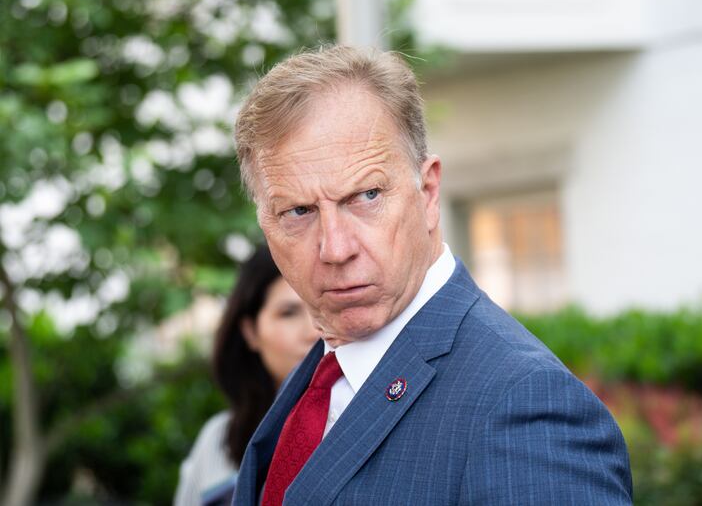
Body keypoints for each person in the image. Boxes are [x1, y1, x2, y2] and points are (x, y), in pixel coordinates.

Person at [231, 45, 633, 505]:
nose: (336, 248)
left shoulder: (525, 404)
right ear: (265, 222)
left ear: (428, 192)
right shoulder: (323, 375)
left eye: (365, 196)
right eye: (298, 211)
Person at [174, 246, 318, 506]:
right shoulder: (218, 441)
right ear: (251, 331)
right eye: (289, 313)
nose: (313, 331)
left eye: (320, 306)